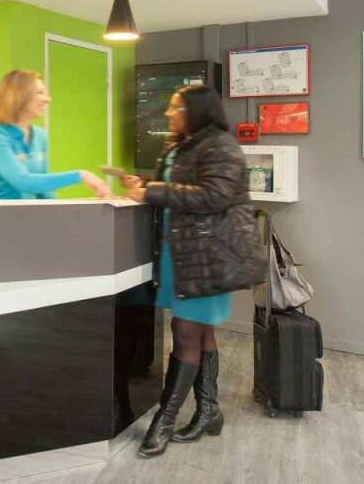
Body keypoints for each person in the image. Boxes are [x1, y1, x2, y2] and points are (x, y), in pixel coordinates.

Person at [120, 84, 256, 458]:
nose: (168, 113)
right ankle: (209, 410)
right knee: (200, 332)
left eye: (175, 107)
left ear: (197, 110)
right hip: (180, 253)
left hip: (207, 257)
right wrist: (143, 184)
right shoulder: (181, 144)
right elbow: (178, 187)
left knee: (184, 334)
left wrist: (151, 192)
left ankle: (163, 421)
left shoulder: (222, 146)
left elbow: (212, 196)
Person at [0, 69, 111, 199]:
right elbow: (23, 182)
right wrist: (81, 175)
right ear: (19, 95)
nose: (48, 99)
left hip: (26, 212)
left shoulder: (40, 136)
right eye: (40, 92)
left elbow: (44, 191)